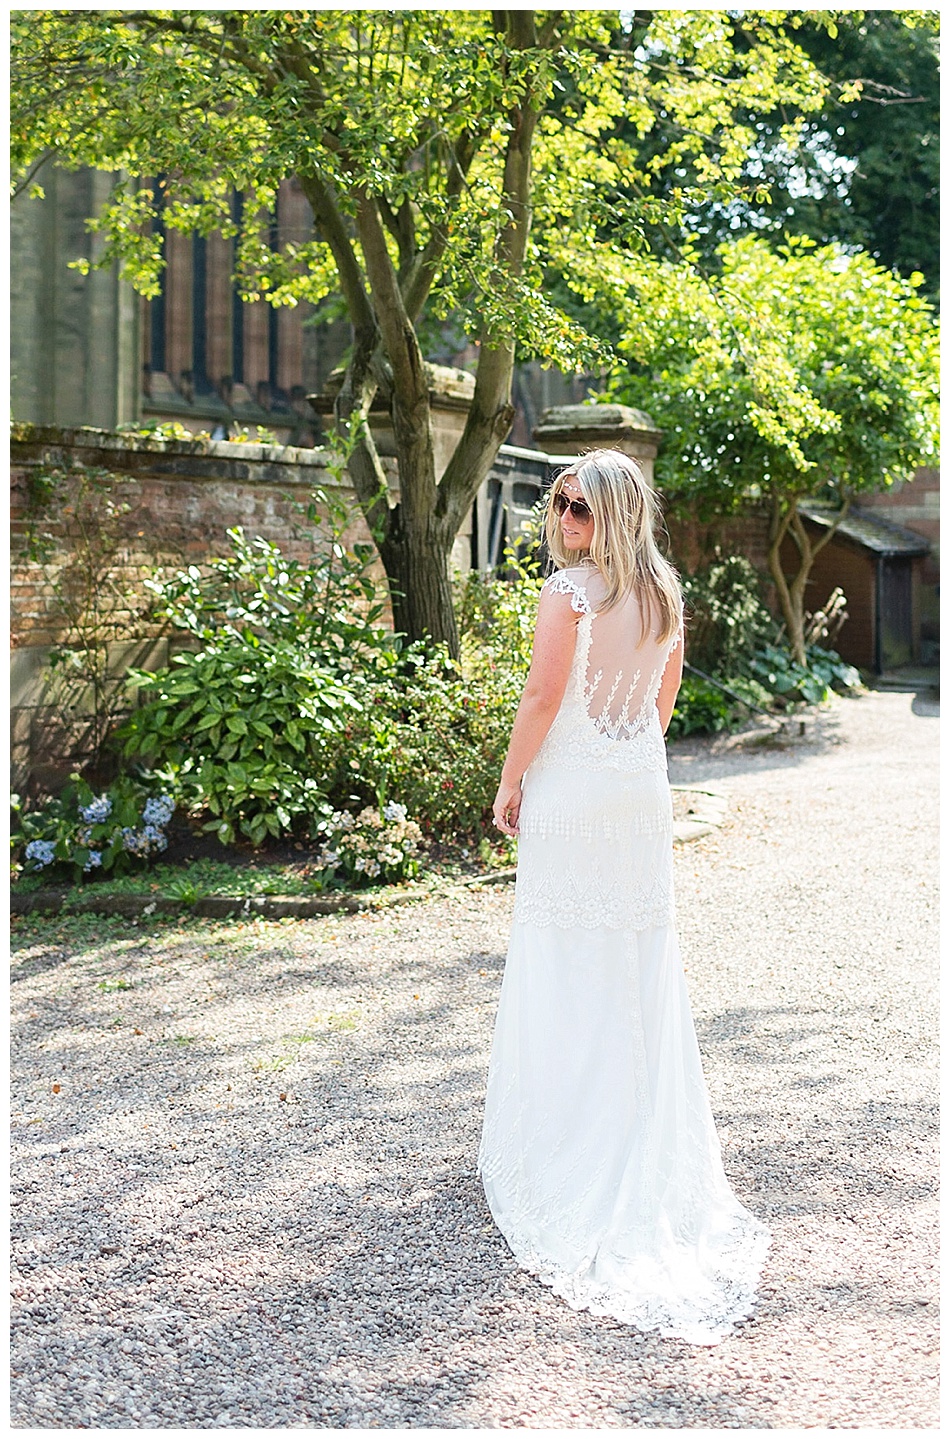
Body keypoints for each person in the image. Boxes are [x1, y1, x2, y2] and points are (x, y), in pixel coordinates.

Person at [478, 449, 770, 1345]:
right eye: (558, 506)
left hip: (575, 792)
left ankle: (569, 1145)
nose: (560, 523)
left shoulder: (568, 593)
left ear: (608, 514)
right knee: (634, 957)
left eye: (573, 508)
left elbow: (540, 695)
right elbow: (661, 700)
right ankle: (632, 1132)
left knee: (569, 956)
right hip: (637, 789)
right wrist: (619, 746)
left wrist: (509, 779)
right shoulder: (665, 593)